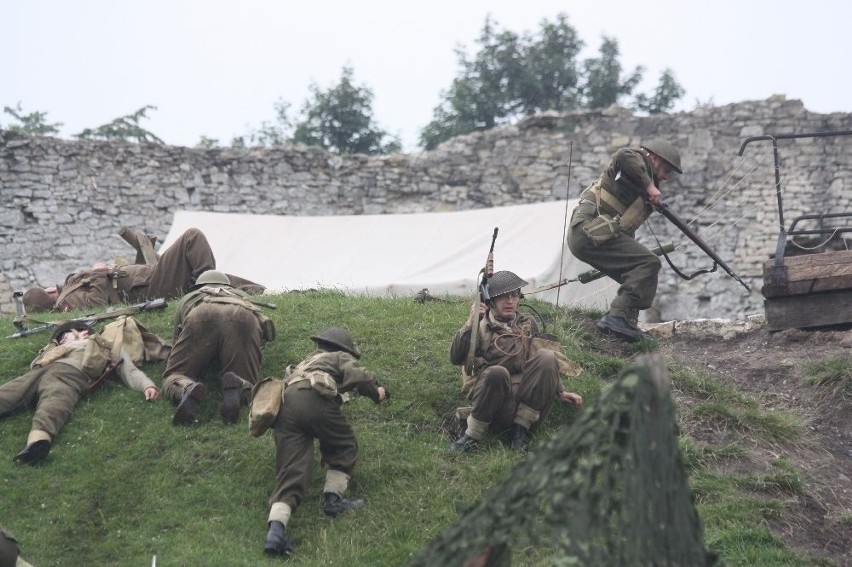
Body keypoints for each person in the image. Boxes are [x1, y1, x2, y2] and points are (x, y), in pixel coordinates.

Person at [263, 327, 389, 557]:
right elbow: (358, 376)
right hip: (313, 400)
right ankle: (333, 499)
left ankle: (276, 531)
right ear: (344, 348)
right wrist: (376, 392)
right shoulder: (339, 357)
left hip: (285, 406)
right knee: (344, 445)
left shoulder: (304, 363)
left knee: (292, 470)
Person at [448, 270, 583, 454]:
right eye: (503, 296)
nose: (510, 301)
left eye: (514, 295)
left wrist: (561, 391)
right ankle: (471, 436)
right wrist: (470, 323)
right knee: (497, 373)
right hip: (494, 403)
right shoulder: (479, 326)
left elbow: (544, 363)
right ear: (490, 301)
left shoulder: (527, 323)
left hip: (527, 404)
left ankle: (520, 432)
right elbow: (455, 358)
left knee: (547, 356)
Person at [567, 139, 683, 342]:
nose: (665, 177)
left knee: (638, 275)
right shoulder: (637, 161)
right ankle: (616, 317)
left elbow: (625, 230)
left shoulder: (637, 184)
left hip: (596, 236)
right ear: (654, 158)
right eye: (666, 170)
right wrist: (649, 186)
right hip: (588, 232)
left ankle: (625, 326)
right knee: (649, 262)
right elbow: (623, 155)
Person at [0, 320, 159, 464]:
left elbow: (129, 371)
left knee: (54, 402)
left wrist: (147, 385)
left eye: (80, 330)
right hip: (39, 373)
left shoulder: (105, 345)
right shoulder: (53, 351)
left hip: (70, 375)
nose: (76, 333)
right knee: (9, 392)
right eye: (67, 334)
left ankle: (36, 443)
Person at [22, 227, 265, 313]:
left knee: (218, 278)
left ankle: (262, 292)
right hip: (149, 287)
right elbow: (96, 303)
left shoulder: (69, 289)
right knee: (192, 237)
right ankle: (209, 293)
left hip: (148, 279)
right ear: (49, 293)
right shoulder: (67, 301)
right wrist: (98, 272)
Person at [162, 270, 275, 426]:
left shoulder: (189, 297)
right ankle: (239, 384)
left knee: (174, 374)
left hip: (201, 314)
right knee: (248, 381)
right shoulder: (240, 295)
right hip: (243, 316)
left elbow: (178, 338)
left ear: (198, 286)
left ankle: (186, 387)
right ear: (227, 285)